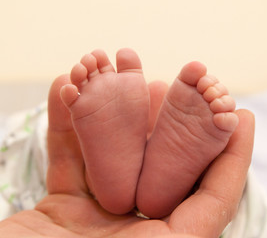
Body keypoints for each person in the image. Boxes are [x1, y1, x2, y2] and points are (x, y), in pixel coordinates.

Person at [0, 48, 256, 237]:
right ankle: (174, 187)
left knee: (39, 153)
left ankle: (100, 177)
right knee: (229, 195)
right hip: (200, 208)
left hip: (48, 187)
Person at [58, 48, 239, 218]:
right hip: (209, 217)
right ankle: (163, 183)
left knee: (60, 150)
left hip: (72, 202)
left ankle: (104, 182)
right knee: (220, 176)